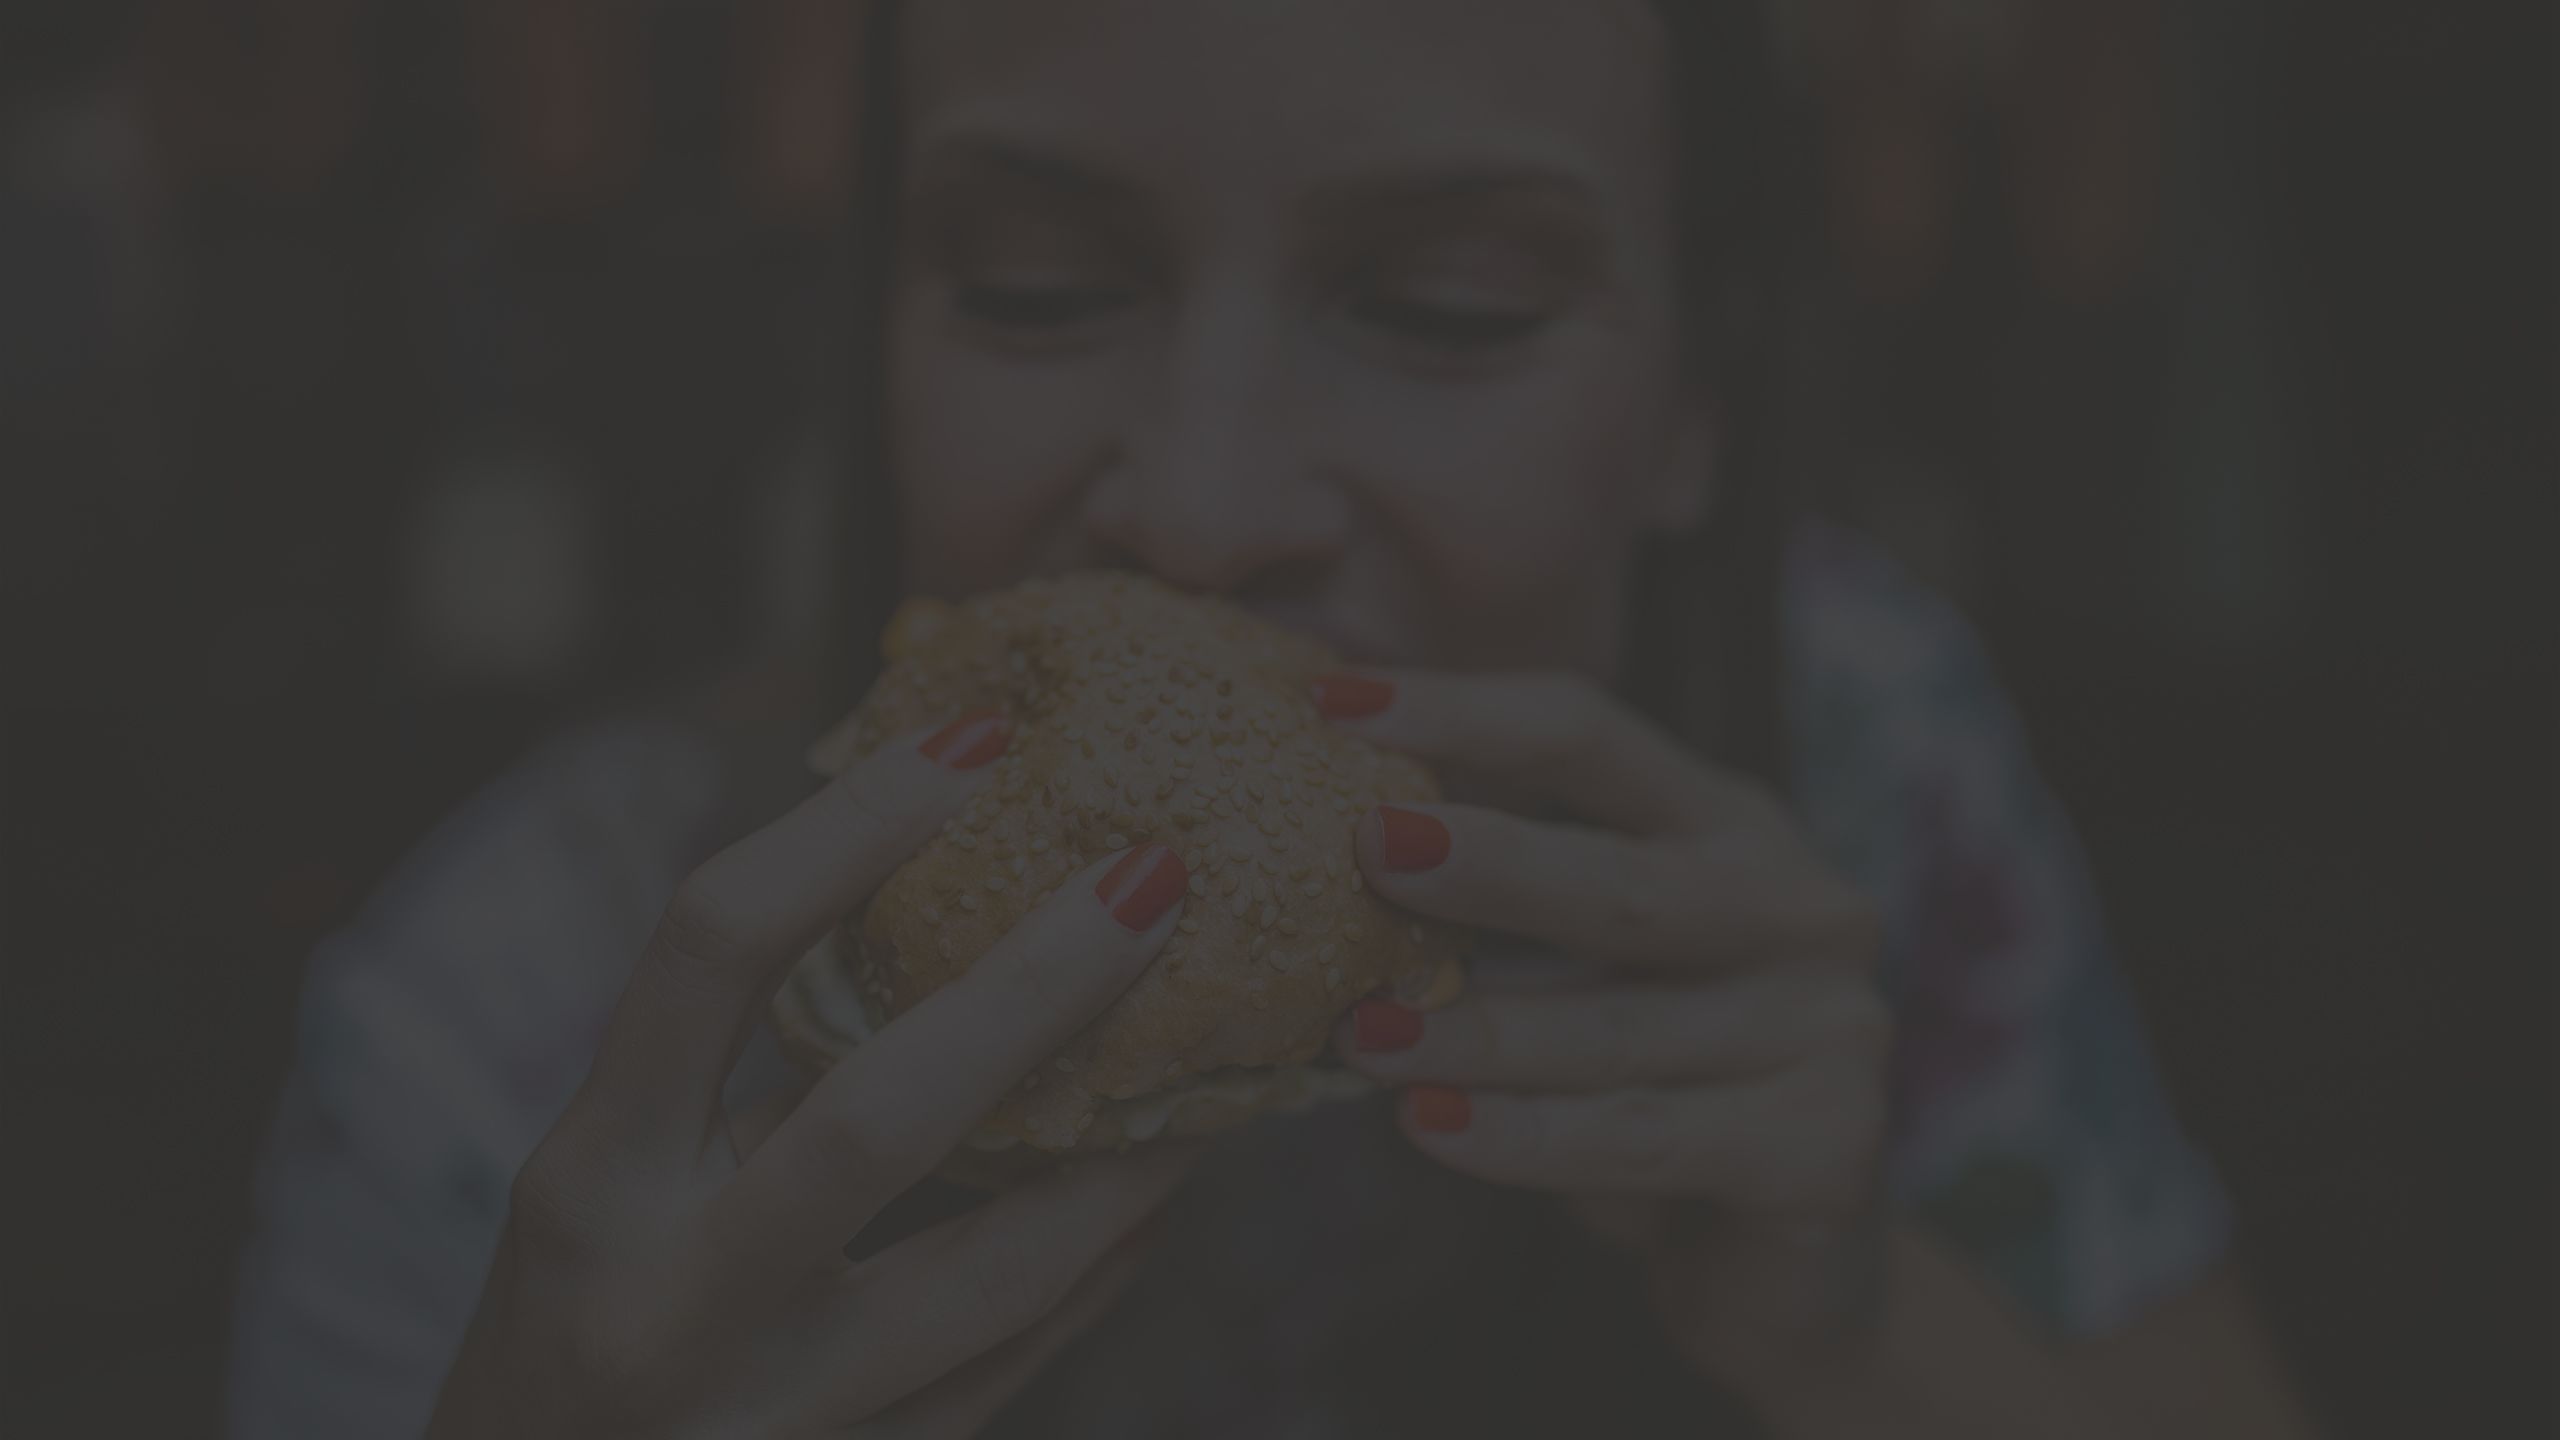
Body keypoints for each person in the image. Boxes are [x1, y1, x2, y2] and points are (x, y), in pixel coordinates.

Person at [226, 2, 2317, 1435]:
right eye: (1032, 282)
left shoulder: (1860, 763)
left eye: (1450, 308)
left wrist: (1866, 1339)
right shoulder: (498, 1032)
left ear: (1698, 400)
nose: (1204, 511)